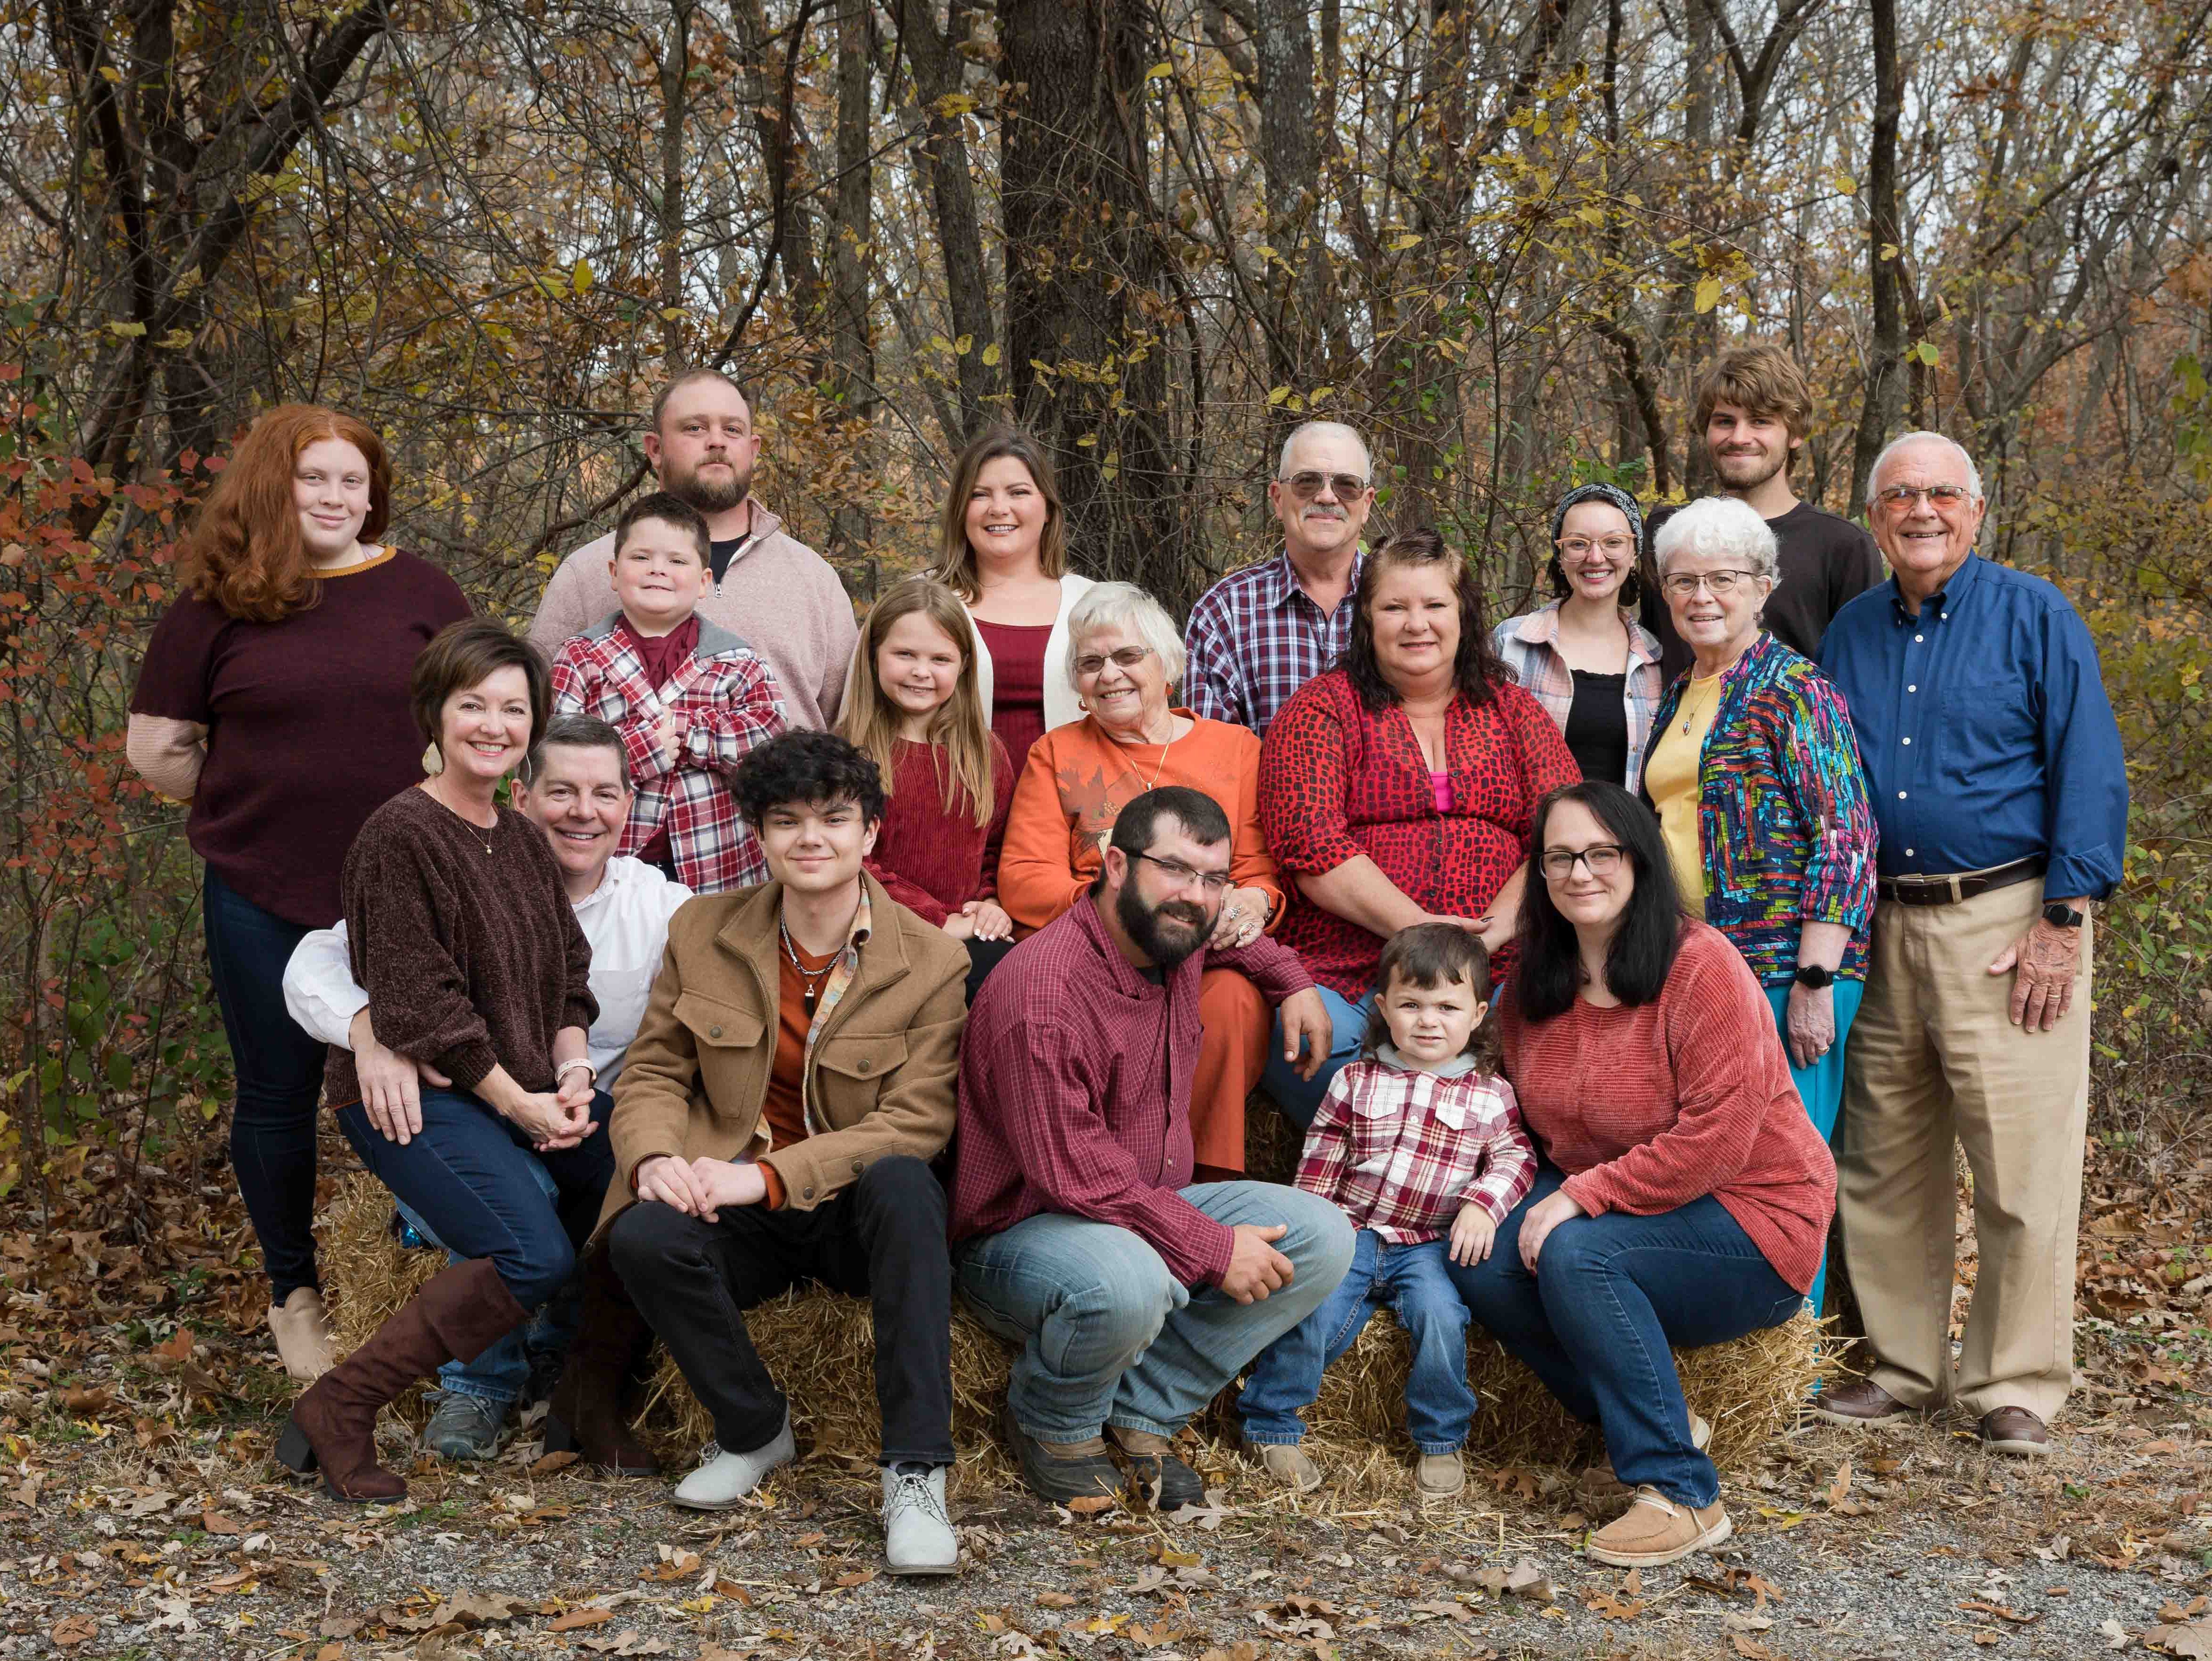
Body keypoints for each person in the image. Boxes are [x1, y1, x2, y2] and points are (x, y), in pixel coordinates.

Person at [127, 404, 472, 1382]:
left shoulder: (422, 590)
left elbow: (484, 716)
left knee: (433, 1082)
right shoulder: (214, 605)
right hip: (262, 888)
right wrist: (252, 799)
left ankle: (449, 1279)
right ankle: (297, 1295)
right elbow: (156, 745)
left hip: (409, 894)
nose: (335, 497)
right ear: (272, 488)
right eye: (313, 479)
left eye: (352, 481)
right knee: (277, 1095)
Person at [1816, 432, 2127, 1456]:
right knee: (1883, 1163)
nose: (1920, 511)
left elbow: (2086, 765)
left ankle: (2013, 1383)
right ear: (1873, 516)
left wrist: (2061, 920)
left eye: (1940, 493)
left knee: (2019, 1165)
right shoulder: (1849, 633)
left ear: (1975, 508)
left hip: (2007, 922)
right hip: (1876, 923)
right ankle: (1903, 1367)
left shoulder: (2033, 615)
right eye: (1899, 494)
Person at [597, 731, 969, 1575]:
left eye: (834, 818)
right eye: (786, 820)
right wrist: (654, 1157)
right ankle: (755, 1431)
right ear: (757, 834)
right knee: (641, 1235)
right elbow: (654, 1069)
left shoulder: (932, 958)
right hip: (738, 1209)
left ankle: (915, 1474)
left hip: (849, 1215)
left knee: (908, 1185)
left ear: (870, 832)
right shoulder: (702, 930)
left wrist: (767, 1175)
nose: (811, 837)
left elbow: (914, 1121)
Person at [274, 621, 621, 1503]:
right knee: (529, 1252)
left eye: (514, 707)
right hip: (420, 1096)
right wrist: (523, 1105)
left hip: (517, 1086)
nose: (494, 724)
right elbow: (422, 1008)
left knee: (631, 1171)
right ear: (435, 712)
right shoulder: (400, 835)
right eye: (474, 704)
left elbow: (568, 984)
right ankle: (341, 1404)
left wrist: (574, 1074)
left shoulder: (521, 836)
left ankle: (574, 1381)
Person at [1449, 781, 1835, 1569]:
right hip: (1628, 1218)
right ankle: (1658, 1415)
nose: (1578, 871)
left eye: (1600, 852)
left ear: (1637, 860)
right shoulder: (1531, 986)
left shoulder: (1699, 965)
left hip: (1750, 1217)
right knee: (1479, 1257)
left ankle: (1682, 1495)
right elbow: (1525, 1127)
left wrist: (1581, 1197)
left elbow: (1716, 1141)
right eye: (1558, 856)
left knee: (1574, 1251)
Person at [952, 787, 1350, 1511]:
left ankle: (1143, 1411)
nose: (1193, 897)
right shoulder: (1044, 995)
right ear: (1112, 865)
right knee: (1129, 1280)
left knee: (1322, 1234)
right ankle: (1054, 1423)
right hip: (1021, 1234)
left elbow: (1244, 942)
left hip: (1135, 1204)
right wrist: (1212, 1245)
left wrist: (1293, 982)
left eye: (1212, 878)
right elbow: (1076, 1178)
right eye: (1174, 870)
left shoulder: (1175, 937)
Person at [1258, 527, 1582, 1125]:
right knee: (1305, 1051)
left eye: (1435, 605)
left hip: (1501, 965)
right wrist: (1426, 933)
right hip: (1353, 963)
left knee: (1561, 1052)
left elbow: (1562, 833)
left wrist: (1482, 941)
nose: (1417, 624)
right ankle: (1401, 1168)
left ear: (1464, 614)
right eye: (1394, 607)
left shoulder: (1512, 709)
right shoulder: (1322, 708)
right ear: (1366, 619)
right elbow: (1310, 844)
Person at [1642, 496, 1877, 1315]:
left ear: (1763, 585)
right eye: (1682, 581)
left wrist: (1815, 976)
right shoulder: (1681, 690)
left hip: (1787, 968)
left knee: (1786, 1168)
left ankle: (1792, 1371)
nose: (1700, 596)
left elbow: (1845, 836)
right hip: (1699, 968)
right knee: (1719, 1165)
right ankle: (1737, 1353)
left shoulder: (1793, 688)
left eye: (1721, 579)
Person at [997, 583, 1289, 1179]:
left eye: (1127, 656)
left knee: (1232, 1001)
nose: (1110, 675)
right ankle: (1118, 1180)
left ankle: (1203, 1182)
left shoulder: (1235, 749)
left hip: (1199, 950)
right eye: (1091, 663)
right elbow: (1024, 878)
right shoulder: (1056, 752)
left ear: (1168, 666)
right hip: (1095, 955)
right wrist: (1126, 908)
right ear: (1077, 684)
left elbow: (1259, 872)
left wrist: (1254, 900)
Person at [1237, 924, 1534, 1498]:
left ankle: (1441, 1440)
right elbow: (1320, 1161)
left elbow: (1516, 1157)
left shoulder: (1488, 1092)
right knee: (1310, 1314)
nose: (1428, 1020)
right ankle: (1272, 1422)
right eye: (1411, 1004)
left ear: (1477, 1013)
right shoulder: (1354, 1080)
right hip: (1353, 1234)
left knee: (1441, 1319)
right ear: (1383, 1007)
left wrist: (1481, 1204)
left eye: (1446, 1006)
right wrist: (1310, 1237)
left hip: (1428, 1243)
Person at [528, 370, 857, 729]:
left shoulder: (814, 578)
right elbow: (537, 721)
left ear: (753, 449)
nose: (717, 441)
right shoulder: (589, 571)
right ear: (655, 449)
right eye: (695, 428)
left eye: (732, 430)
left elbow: (853, 726)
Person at [549, 491, 786, 891]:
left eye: (677, 561)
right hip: (612, 865)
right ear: (613, 572)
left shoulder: (736, 659)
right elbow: (559, 756)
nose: (658, 570)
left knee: (705, 952)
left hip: (717, 864)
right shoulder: (581, 657)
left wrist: (683, 732)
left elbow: (768, 740)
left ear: (704, 582)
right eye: (641, 558)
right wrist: (641, 749)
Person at [1639, 343, 1884, 680]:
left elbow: (1861, 681)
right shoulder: (1666, 533)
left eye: (1760, 421)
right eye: (1725, 421)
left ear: (1796, 433)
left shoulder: (1842, 547)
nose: (1739, 437)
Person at [836, 575, 1017, 1000]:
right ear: (874, 656)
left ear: (963, 666)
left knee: (1018, 983)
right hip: (875, 934)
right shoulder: (847, 753)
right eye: (904, 654)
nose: (921, 671)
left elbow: (998, 847)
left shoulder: (984, 753)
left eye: (940, 659)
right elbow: (852, 862)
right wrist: (938, 921)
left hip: (969, 932)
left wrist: (989, 904)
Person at [1183, 421, 1374, 737]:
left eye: (1347, 485)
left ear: (1365, 504)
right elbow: (1212, 765)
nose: (1327, 497)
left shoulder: (1410, 608)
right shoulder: (1224, 613)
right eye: (1307, 482)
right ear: (1277, 498)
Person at [932, 427, 1097, 764]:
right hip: (947, 806)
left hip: (1075, 810)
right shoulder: (920, 602)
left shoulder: (1095, 604)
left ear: (1048, 508)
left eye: (1018, 492)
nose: (998, 508)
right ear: (960, 509)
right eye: (979, 495)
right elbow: (867, 717)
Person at [1491, 482, 1667, 790]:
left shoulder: (1655, 660)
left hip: (1623, 836)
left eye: (1614, 542)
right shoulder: (1511, 643)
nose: (1596, 557)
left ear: (1633, 554)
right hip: (1532, 835)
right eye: (1578, 543)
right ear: (1560, 556)